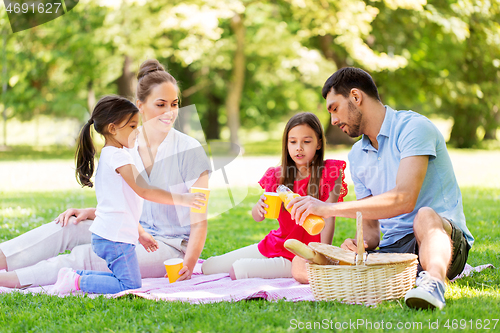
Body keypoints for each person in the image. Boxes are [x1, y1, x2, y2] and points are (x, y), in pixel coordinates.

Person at [0, 59, 210, 289]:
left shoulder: (190, 150)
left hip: (167, 247)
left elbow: (199, 221)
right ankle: (4, 259)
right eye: (160, 104)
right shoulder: (124, 143)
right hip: (130, 229)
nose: (169, 112)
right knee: (67, 226)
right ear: (140, 105)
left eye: (174, 104)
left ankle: (13, 280)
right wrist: (94, 213)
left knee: (88, 256)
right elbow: (126, 200)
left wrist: (188, 264)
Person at [288, 67, 474, 310]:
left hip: (443, 238)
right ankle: (361, 281)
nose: (333, 120)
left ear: (356, 97)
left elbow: (404, 199)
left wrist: (328, 208)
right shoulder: (357, 155)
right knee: (301, 262)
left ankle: (434, 283)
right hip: (395, 250)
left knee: (424, 215)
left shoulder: (414, 128)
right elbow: (373, 232)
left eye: (334, 108)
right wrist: (360, 244)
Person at [49, 95, 206, 294]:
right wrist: (184, 199)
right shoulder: (118, 157)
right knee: (130, 285)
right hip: (115, 239)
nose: (137, 131)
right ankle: (76, 281)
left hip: (113, 235)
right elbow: (144, 190)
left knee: (125, 279)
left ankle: (74, 277)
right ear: (113, 129)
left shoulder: (111, 154)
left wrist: (141, 234)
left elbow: (122, 203)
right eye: (132, 127)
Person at [201, 112, 347, 279]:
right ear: (286, 144)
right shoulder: (277, 176)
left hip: (300, 255)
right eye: (293, 142)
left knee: (238, 270)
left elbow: (329, 217)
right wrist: (258, 208)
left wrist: (321, 256)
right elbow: (258, 217)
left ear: (319, 143)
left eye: (306, 142)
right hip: (275, 244)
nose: (299, 147)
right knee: (208, 267)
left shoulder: (330, 172)